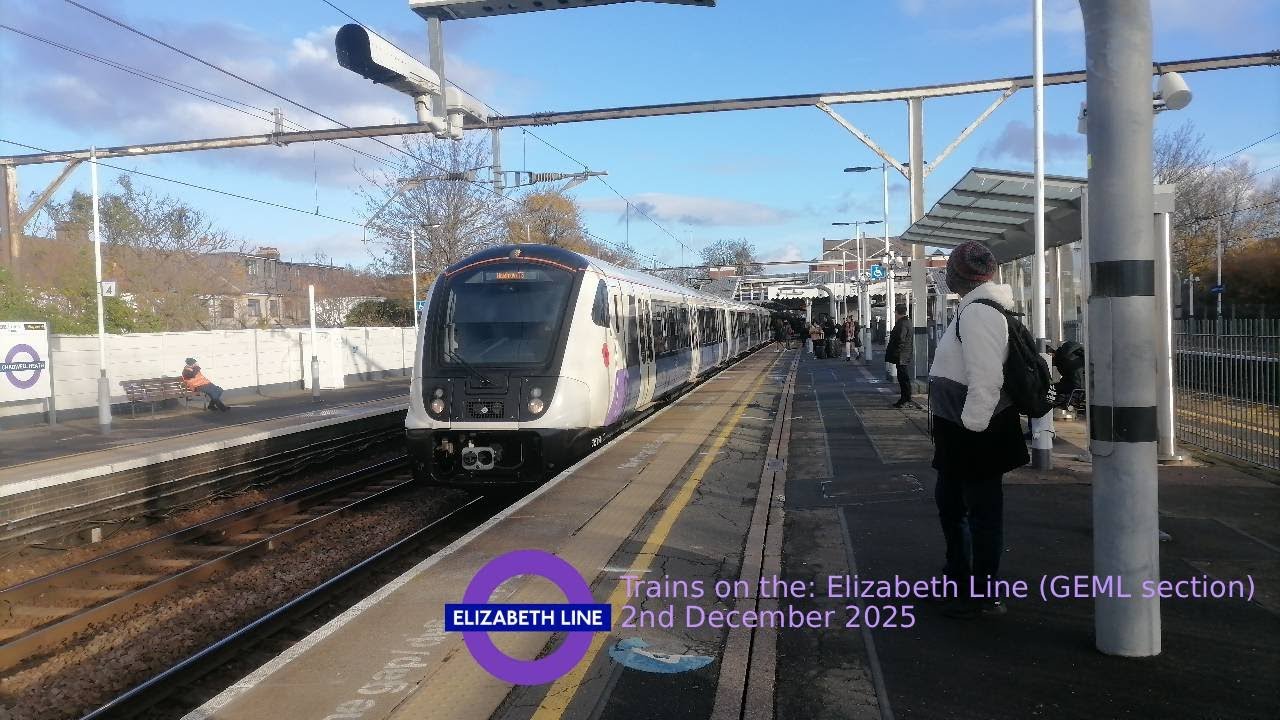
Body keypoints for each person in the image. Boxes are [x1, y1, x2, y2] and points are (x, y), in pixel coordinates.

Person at [927, 241, 1029, 618]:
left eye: (950, 271)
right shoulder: (978, 308)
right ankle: (960, 580)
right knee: (954, 507)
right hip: (964, 430)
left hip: (973, 433)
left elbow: (986, 380)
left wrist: (969, 429)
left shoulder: (977, 313)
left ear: (958, 274)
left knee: (977, 513)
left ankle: (980, 591)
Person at [884, 304, 916, 408]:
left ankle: (905, 399)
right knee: (903, 377)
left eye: (895, 312)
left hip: (901, 355)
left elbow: (900, 339)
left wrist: (895, 351)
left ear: (897, 312)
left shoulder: (902, 324)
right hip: (904, 354)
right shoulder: (907, 322)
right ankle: (906, 398)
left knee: (903, 378)